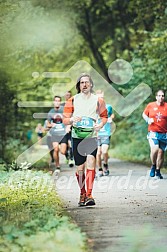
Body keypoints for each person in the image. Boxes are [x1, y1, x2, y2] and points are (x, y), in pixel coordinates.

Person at [63, 73, 108, 207]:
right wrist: (71, 120)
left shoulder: (98, 100)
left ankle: (89, 194)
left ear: (91, 84)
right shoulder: (72, 100)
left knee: (91, 161)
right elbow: (65, 118)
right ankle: (82, 193)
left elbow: (104, 116)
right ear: (78, 85)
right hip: (77, 137)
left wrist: (100, 124)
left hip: (91, 136)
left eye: (87, 82)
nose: (85, 84)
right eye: (82, 82)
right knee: (80, 169)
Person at [142, 90, 167, 179]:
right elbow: (144, 114)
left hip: (164, 133)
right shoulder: (151, 105)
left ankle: (158, 171)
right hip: (153, 132)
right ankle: (153, 165)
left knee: (161, 152)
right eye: (159, 96)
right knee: (155, 149)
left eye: (162, 96)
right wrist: (148, 120)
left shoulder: (166, 106)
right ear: (156, 97)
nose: (161, 97)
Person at [47, 96, 68, 172]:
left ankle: (67, 154)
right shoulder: (51, 112)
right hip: (55, 134)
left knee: (63, 151)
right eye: (56, 101)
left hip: (63, 133)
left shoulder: (64, 111)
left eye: (58, 101)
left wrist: (68, 127)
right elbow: (48, 124)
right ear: (53, 102)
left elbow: (68, 120)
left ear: (60, 102)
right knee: (55, 149)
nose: (57, 102)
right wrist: (51, 125)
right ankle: (57, 166)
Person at [96, 90, 114, 177]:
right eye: (99, 98)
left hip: (106, 132)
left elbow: (112, 115)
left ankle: (105, 164)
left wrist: (110, 118)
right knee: (98, 153)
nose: (101, 99)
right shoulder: (93, 108)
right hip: (97, 133)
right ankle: (99, 169)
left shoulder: (108, 107)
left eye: (102, 97)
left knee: (104, 151)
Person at [62, 91, 74, 167]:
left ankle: (71, 158)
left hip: (71, 128)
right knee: (63, 149)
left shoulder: (73, 105)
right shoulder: (61, 106)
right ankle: (67, 155)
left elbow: (75, 116)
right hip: (61, 129)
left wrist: (70, 125)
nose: (68, 96)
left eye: (69, 95)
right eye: (66, 95)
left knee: (70, 144)